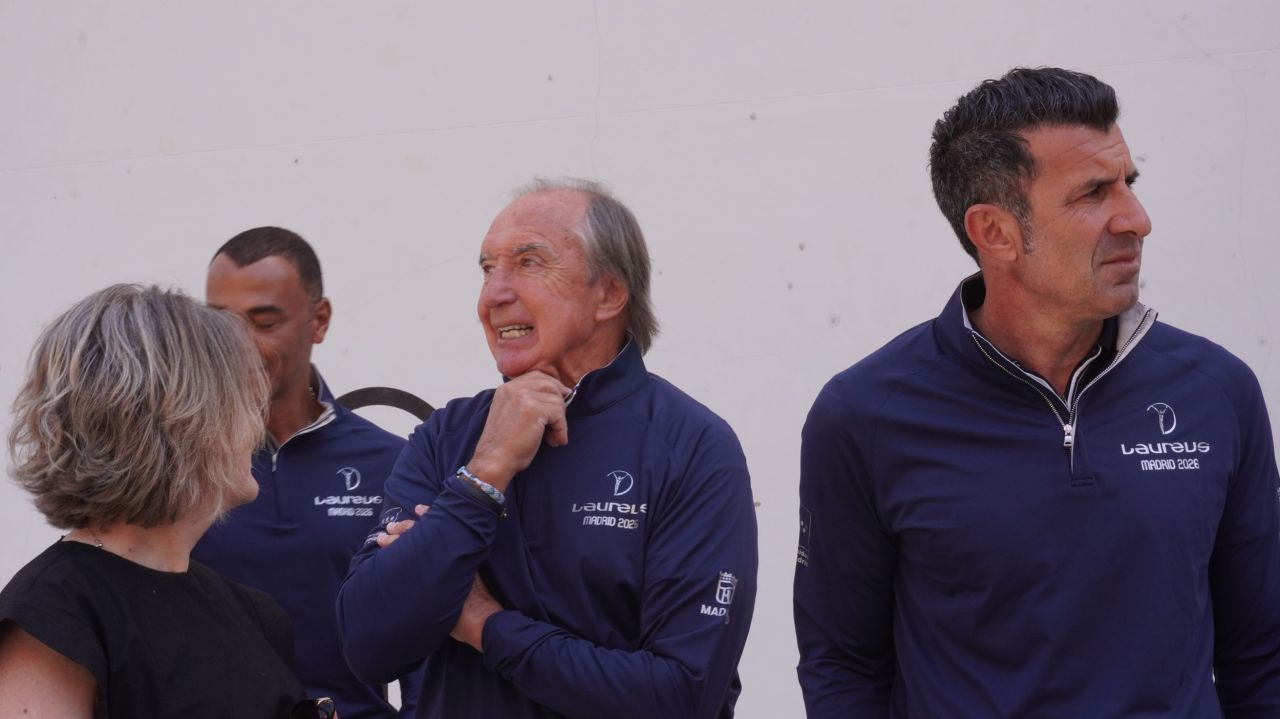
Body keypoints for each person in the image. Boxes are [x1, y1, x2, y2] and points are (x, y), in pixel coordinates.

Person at [794, 67, 1280, 716]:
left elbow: (1263, 654)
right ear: (995, 232)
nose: (1137, 220)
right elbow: (843, 664)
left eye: (1129, 183)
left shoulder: (1217, 391)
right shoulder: (863, 417)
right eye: (1092, 193)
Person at [337, 178, 758, 718]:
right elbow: (368, 646)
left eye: (528, 262)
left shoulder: (692, 446)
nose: (493, 296)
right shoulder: (448, 436)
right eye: (487, 269)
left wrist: (486, 625)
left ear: (609, 294)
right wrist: (483, 475)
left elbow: (678, 696)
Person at [0, 284, 306, 717]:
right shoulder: (57, 614)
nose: (257, 424)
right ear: (185, 420)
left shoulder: (255, 615)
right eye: (242, 402)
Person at [191, 227, 419, 719]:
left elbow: (423, 631)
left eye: (263, 321)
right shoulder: (173, 463)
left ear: (319, 320)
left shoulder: (392, 462)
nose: (238, 345)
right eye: (220, 325)